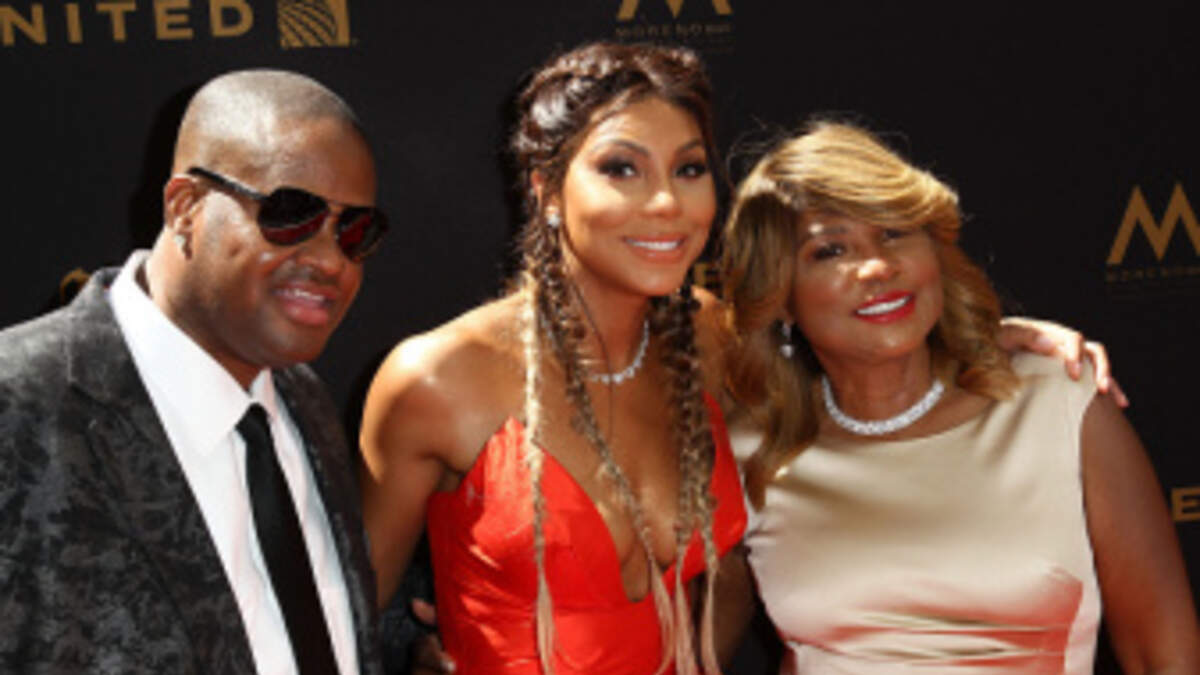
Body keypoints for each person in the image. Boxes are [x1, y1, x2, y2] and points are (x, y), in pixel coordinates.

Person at [719, 121, 1200, 673]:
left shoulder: (1058, 405)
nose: (878, 266)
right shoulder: (750, 452)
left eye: (895, 232)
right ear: (780, 297)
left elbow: (1164, 657)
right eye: (830, 250)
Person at [360, 42, 745, 674]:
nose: (666, 203)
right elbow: (337, 620)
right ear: (546, 192)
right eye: (622, 168)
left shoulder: (709, 338)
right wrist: (416, 650)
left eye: (689, 168)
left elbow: (739, 569)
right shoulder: (438, 379)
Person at [0, 69, 389, 674]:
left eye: (354, 230)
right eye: (291, 215)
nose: (330, 260)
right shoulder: (18, 405)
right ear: (185, 208)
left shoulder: (302, 403)